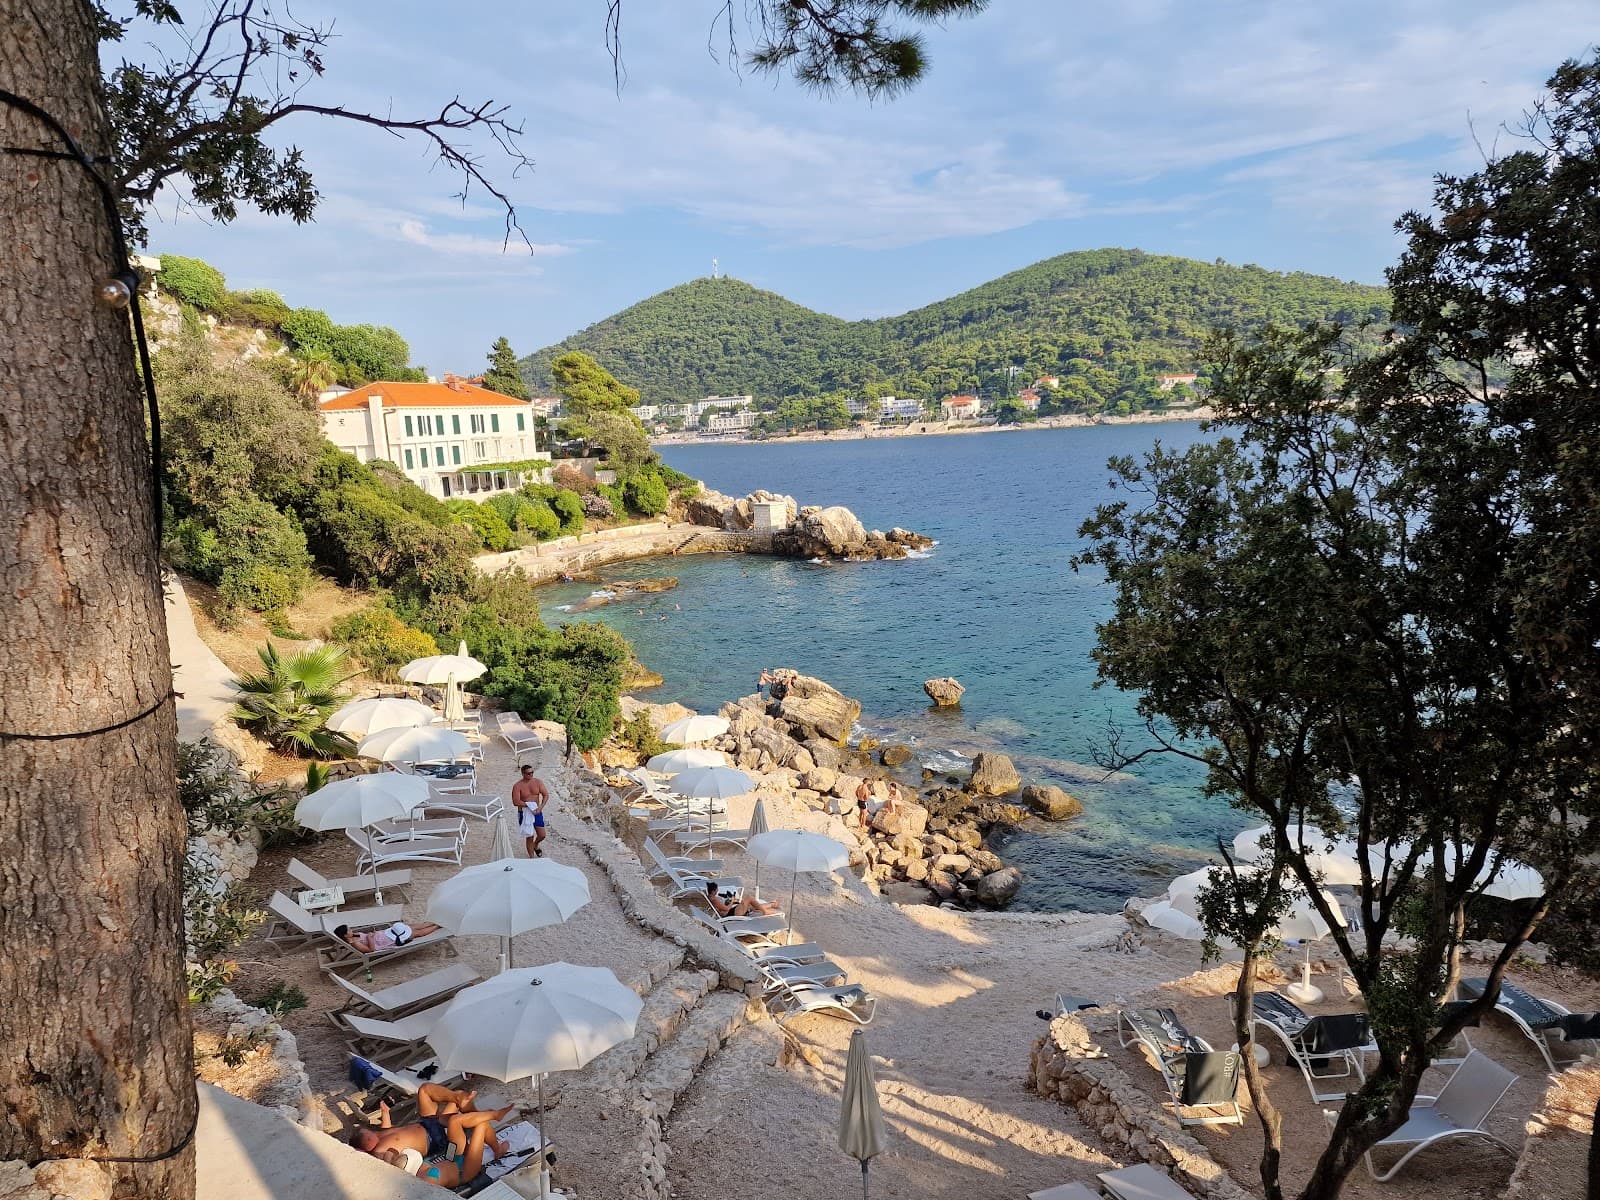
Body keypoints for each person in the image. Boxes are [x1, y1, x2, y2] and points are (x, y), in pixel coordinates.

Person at [333, 919, 443, 955]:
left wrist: (372, 935)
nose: (351, 930)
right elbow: (371, 950)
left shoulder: (353, 936)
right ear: (345, 935)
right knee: (417, 933)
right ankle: (437, 926)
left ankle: (433, 922)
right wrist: (371, 938)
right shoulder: (355, 943)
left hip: (385, 934)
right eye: (349, 930)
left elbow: (367, 937)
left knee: (411, 927)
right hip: (388, 940)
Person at [511, 763, 549, 858]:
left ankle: (535, 845)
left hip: (537, 811)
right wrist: (528, 805)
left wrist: (540, 807)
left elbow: (546, 795)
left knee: (542, 835)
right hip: (524, 813)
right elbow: (516, 802)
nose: (531, 775)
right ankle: (532, 858)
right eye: (528, 773)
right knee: (529, 835)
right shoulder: (517, 786)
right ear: (523, 774)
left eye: (532, 772)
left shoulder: (538, 782)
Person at [703, 878, 780, 918]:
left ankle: (772, 905)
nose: (717, 890)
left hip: (732, 911)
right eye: (716, 889)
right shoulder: (715, 900)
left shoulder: (710, 897)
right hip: (731, 914)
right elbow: (726, 909)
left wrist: (729, 901)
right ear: (713, 891)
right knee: (749, 898)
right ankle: (765, 911)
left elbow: (721, 907)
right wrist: (732, 901)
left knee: (752, 906)